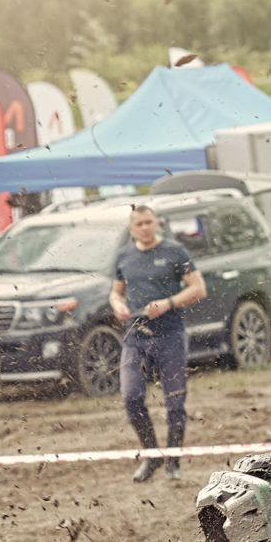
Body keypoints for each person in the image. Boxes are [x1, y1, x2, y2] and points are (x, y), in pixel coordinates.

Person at [109, 205, 207, 483]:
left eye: (148, 222)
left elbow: (199, 288)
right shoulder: (124, 256)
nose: (144, 227)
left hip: (170, 335)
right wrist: (118, 305)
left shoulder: (175, 251)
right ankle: (152, 455)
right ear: (131, 229)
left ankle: (173, 462)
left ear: (157, 224)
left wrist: (168, 303)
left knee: (174, 402)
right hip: (136, 336)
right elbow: (116, 292)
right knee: (131, 397)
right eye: (139, 224)